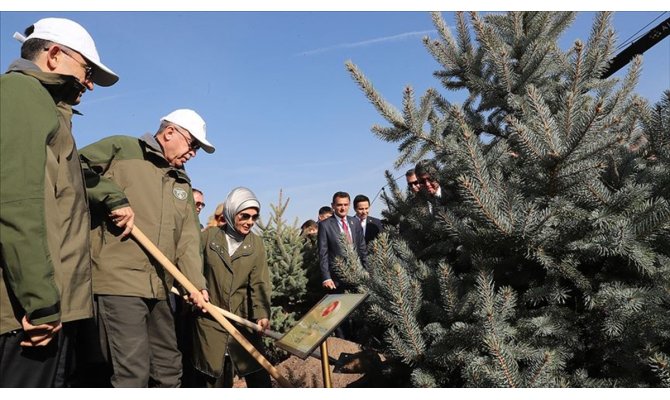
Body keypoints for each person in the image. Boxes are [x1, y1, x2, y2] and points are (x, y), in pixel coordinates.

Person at [0, 17, 118, 388]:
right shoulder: (21, 94)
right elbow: (17, 201)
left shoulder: (44, 107)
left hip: (43, 308)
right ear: (53, 55)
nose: (89, 84)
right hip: (27, 315)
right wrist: (41, 301)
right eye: (87, 71)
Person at [79, 108, 214, 387]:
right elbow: (73, 166)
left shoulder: (182, 181)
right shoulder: (122, 148)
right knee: (132, 374)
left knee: (169, 370)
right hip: (119, 282)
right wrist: (112, 196)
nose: (193, 154)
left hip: (159, 287)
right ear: (169, 133)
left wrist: (195, 284)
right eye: (193, 145)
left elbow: (188, 238)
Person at [191, 187, 272, 388]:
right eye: (244, 216)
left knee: (258, 375)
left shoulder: (256, 244)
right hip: (210, 317)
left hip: (242, 320)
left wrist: (262, 313)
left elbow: (259, 282)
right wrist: (195, 290)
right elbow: (192, 268)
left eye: (254, 217)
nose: (250, 222)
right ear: (231, 212)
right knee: (214, 375)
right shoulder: (209, 238)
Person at [317, 192, 367, 292]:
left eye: (346, 205)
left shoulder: (355, 222)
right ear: (333, 206)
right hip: (337, 279)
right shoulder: (325, 225)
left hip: (358, 274)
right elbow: (323, 253)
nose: (343, 208)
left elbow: (362, 248)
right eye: (339, 205)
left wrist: (367, 271)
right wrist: (326, 277)